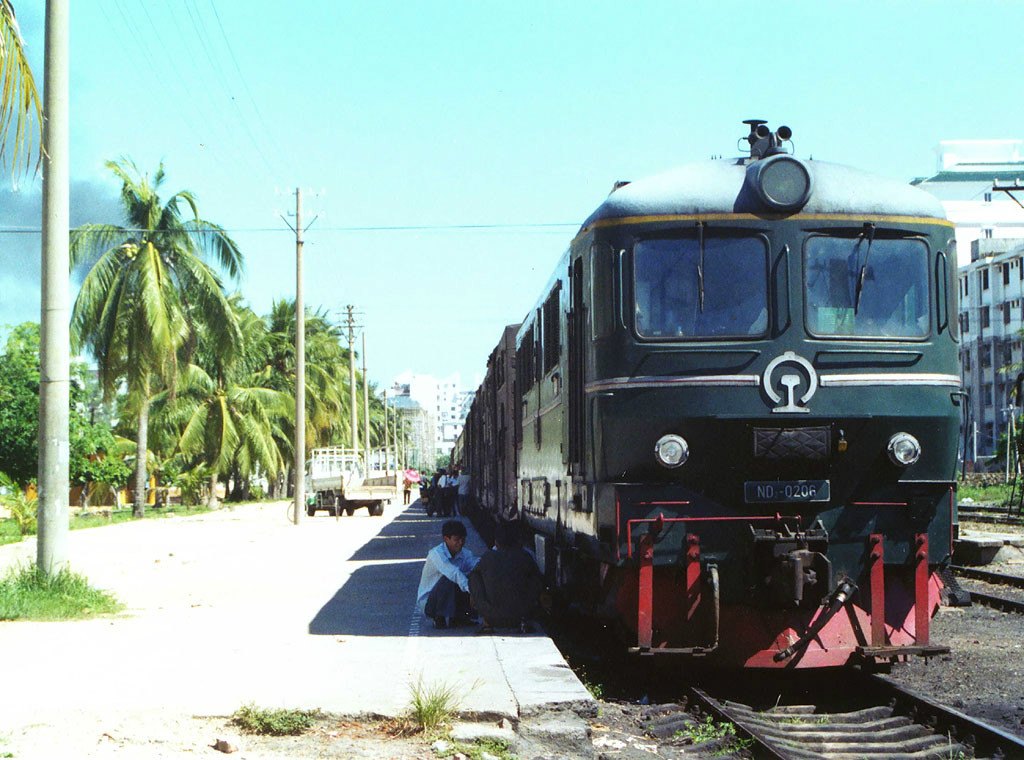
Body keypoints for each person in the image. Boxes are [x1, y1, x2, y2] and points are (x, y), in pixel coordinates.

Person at [468, 521, 543, 634]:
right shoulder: (525, 557)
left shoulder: (488, 557)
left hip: (492, 616)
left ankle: (486, 624)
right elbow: (538, 582)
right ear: (519, 541)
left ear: (496, 542)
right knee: (534, 578)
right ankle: (525, 623)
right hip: (520, 616)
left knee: (474, 577)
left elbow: (473, 579)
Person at [416, 520, 478, 629]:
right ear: (446, 539)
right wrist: (473, 591)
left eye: (462, 540)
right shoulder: (436, 554)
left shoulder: (465, 554)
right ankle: (439, 616)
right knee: (451, 577)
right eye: (456, 540)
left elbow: (476, 565)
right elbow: (453, 572)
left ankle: (461, 617)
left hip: (449, 597)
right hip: (430, 603)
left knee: (471, 576)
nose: (460, 543)